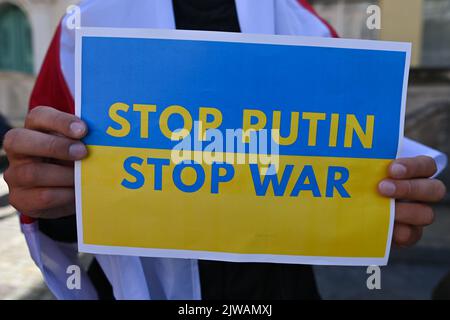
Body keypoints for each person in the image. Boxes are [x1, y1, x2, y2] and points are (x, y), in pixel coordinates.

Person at [3, 0, 447, 300]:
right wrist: (48, 197)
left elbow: (357, 162)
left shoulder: (306, 25)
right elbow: (59, 200)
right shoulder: (84, 26)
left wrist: (384, 206)